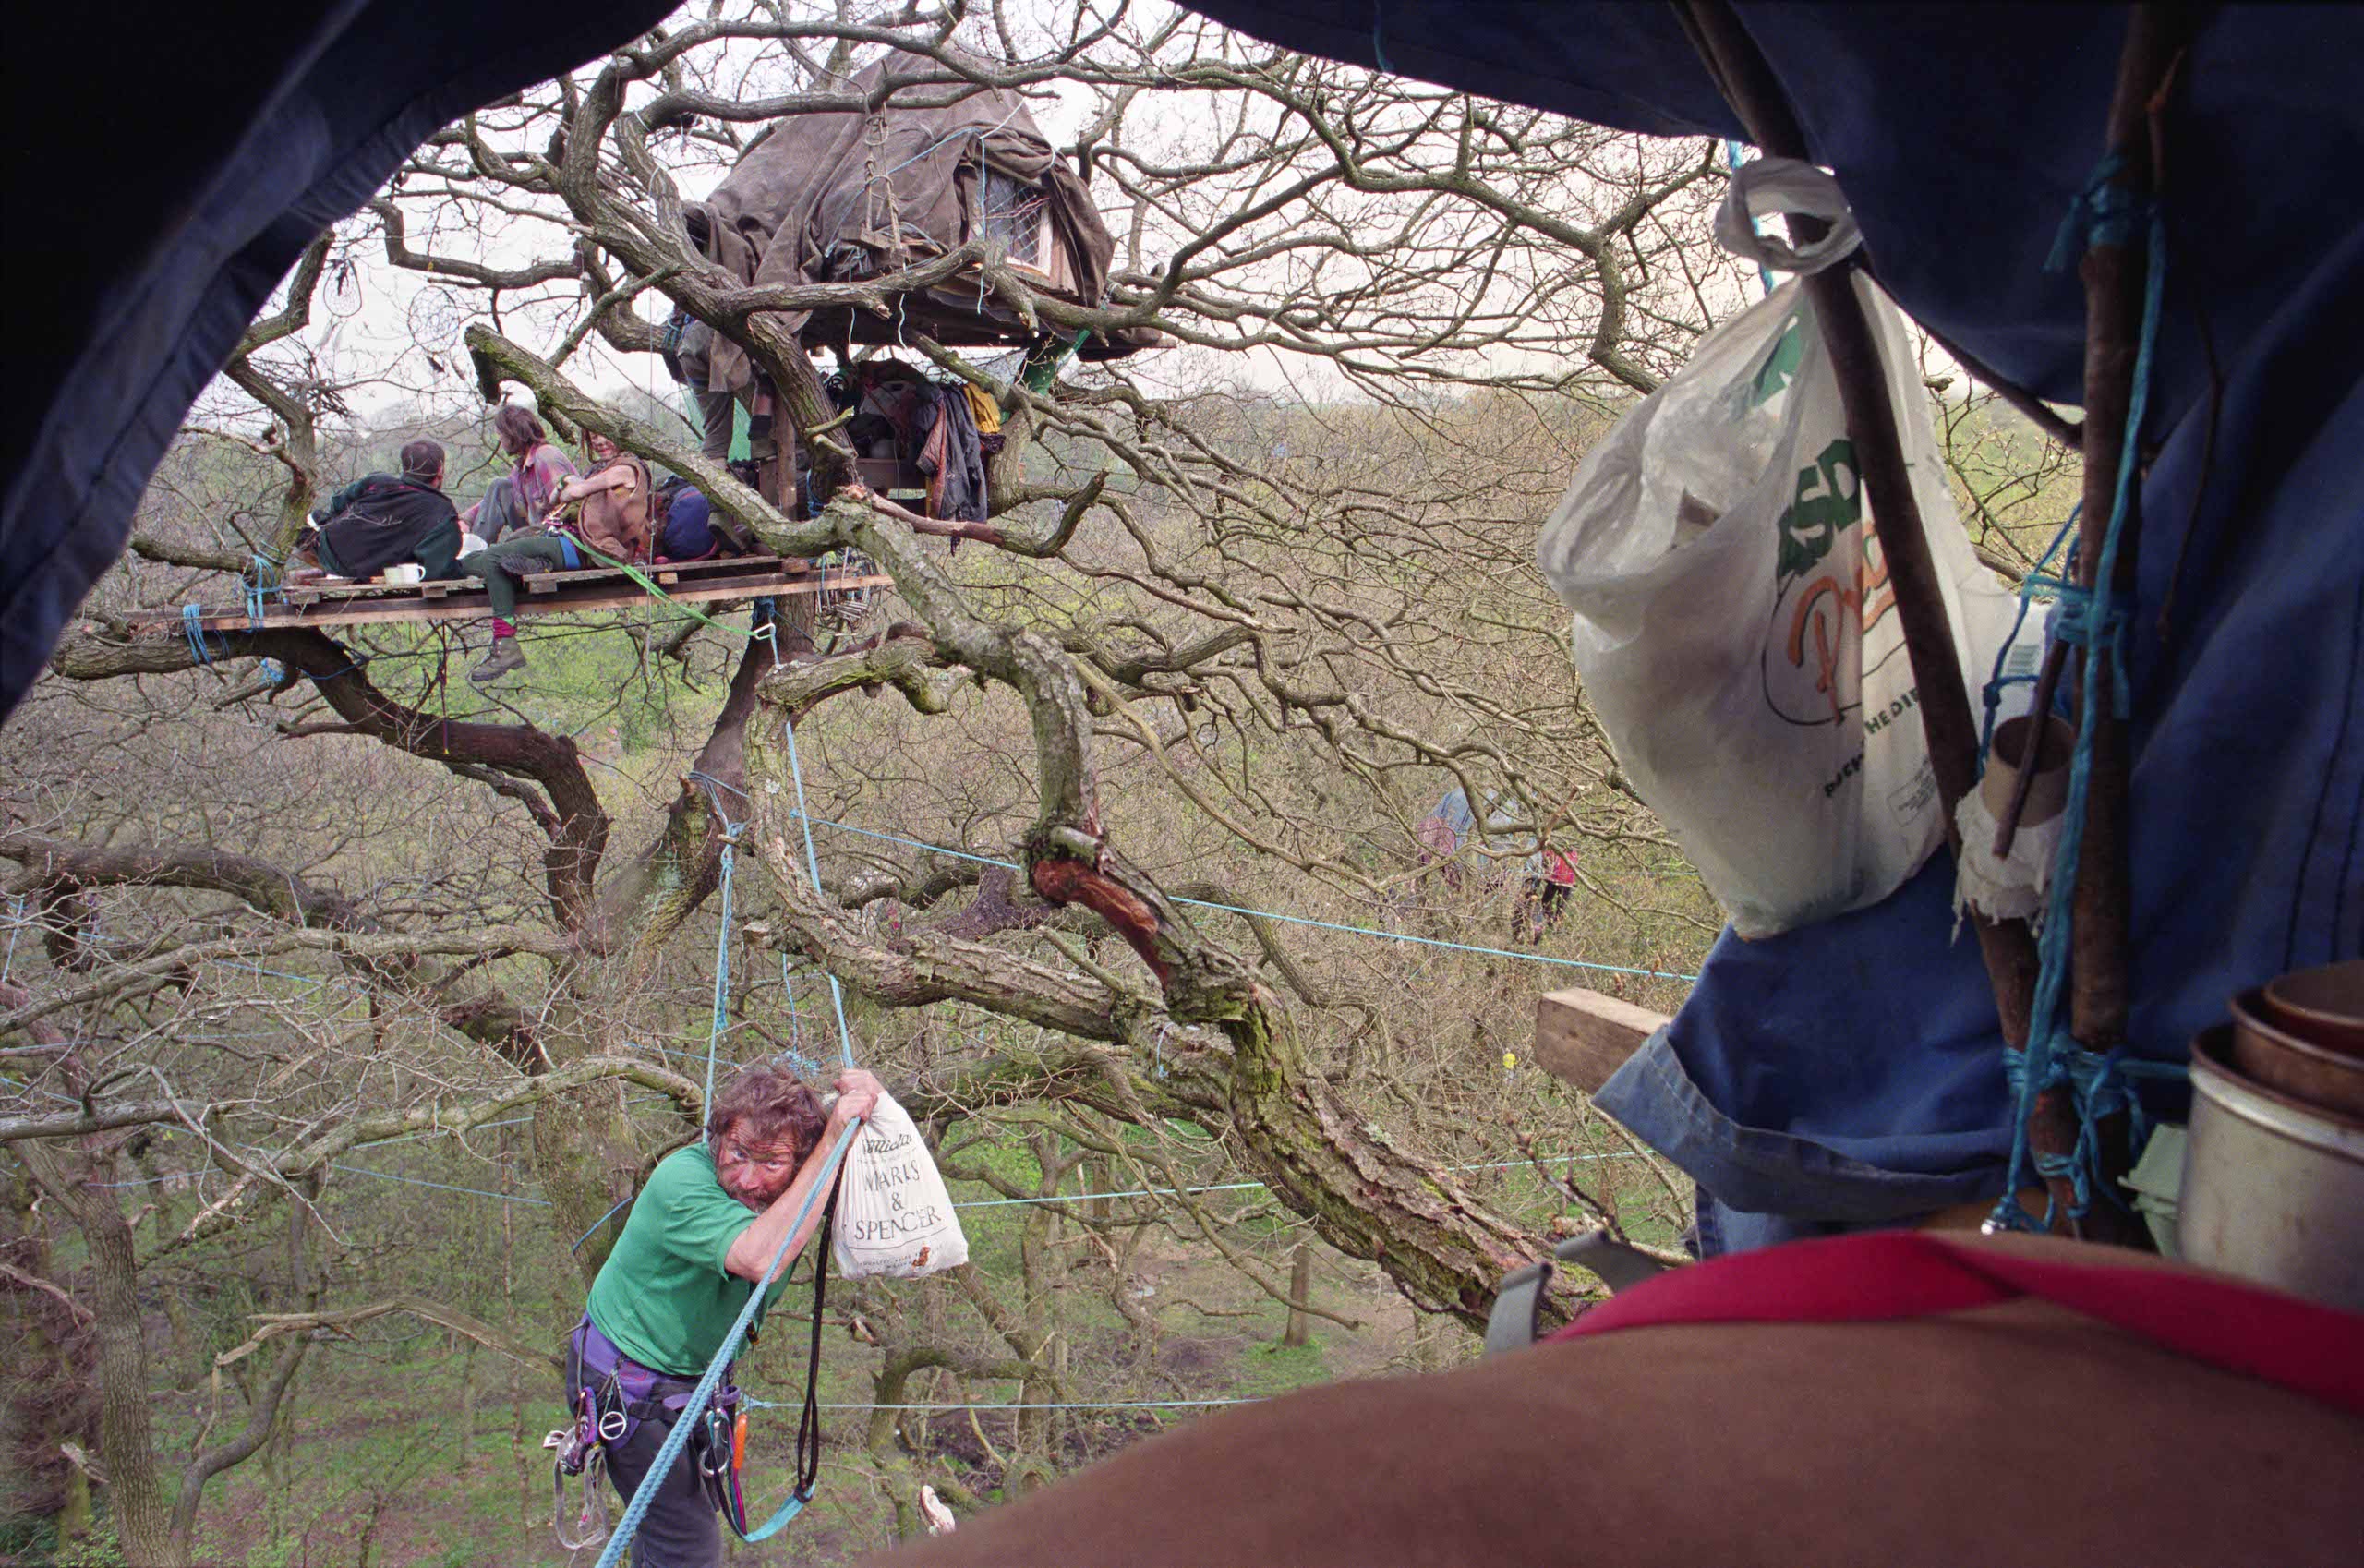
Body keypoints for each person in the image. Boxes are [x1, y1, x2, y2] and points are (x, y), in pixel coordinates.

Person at [571, 1064, 880, 1568]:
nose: (747, 1179)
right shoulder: (682, 1181)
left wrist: (867, 1103)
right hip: (626, 1389)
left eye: (772, 1162)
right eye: (736, 1153)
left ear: (800, 1166)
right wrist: (829, 1144)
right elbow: (762, 1257)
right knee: (689, 1550)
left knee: (672, 1538)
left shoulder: (796, 1188)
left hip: (685, 1385)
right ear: (714, 1139)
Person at [459, 425, 649, 683]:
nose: (600, 441)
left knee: (491, 559)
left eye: (607, 435)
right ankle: (539, 564)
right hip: (566, 538)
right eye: (594, 436)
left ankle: (506, 644)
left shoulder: (627, 469)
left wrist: (565, 484)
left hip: (589, 548)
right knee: (495, 557)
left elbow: (574, 492)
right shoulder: (598, 469)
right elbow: (559, 496)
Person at [293, 439, 464, 583]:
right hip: (371, 569)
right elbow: (438, 569)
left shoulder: (377, 482)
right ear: (440, 469)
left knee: (312, 521)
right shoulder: (442, 512)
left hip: (326, 549)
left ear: (404, 466)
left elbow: (338, 503)